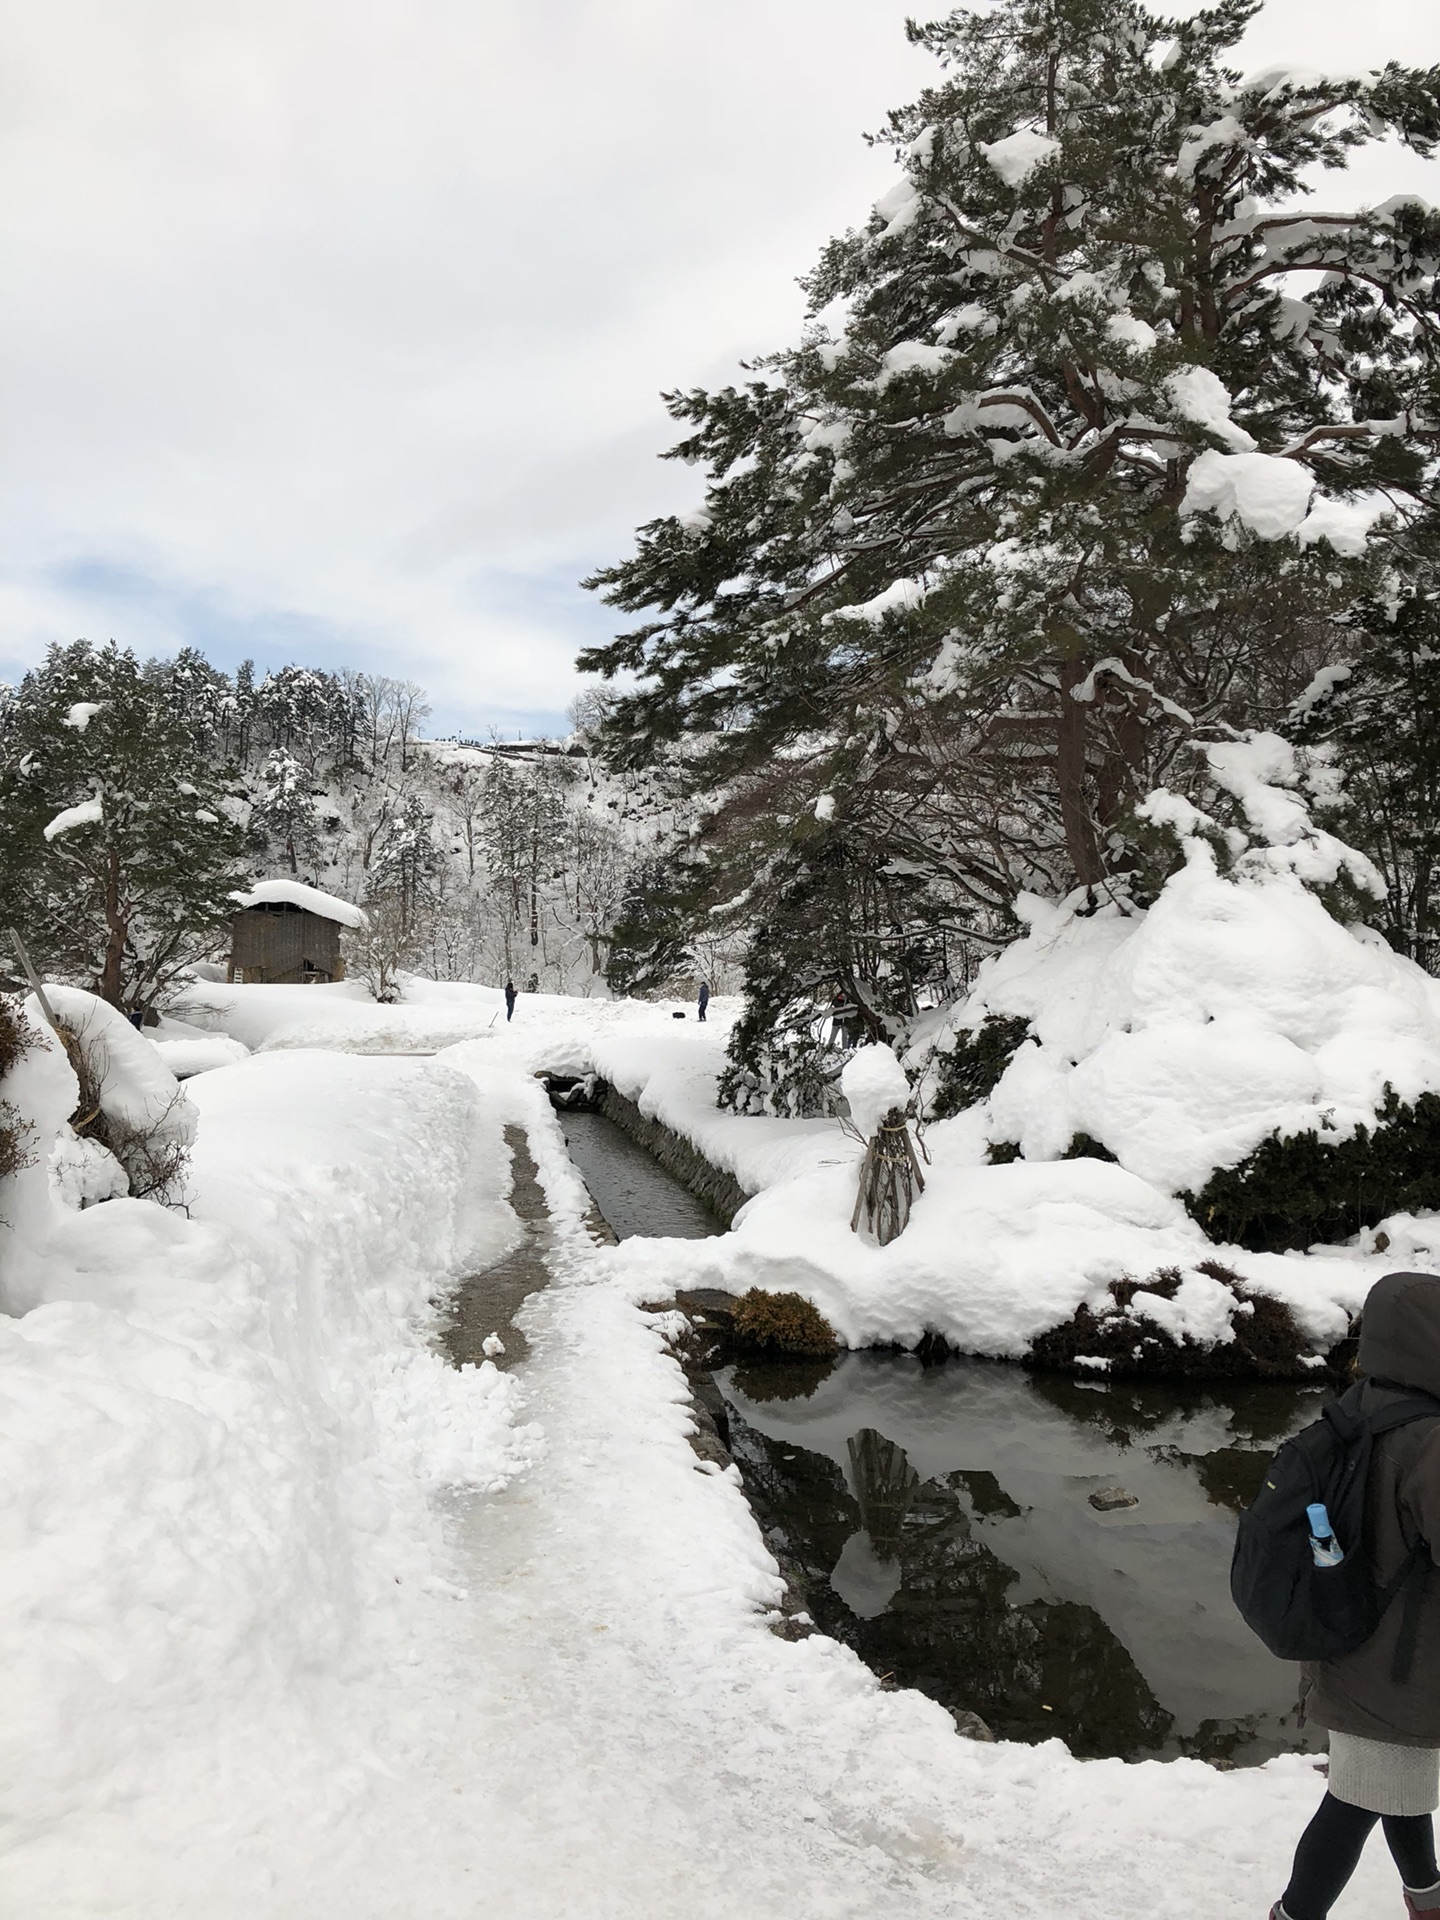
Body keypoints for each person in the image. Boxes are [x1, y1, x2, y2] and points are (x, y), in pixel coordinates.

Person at [1273, 1271, 1440, 1920]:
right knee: (1357, 1803)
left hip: (1353, 1644)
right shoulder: (1428, 1440)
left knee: (1390, 1785)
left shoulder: (1364, 1405)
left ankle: (1427, 1897)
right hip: (1402, 1666)